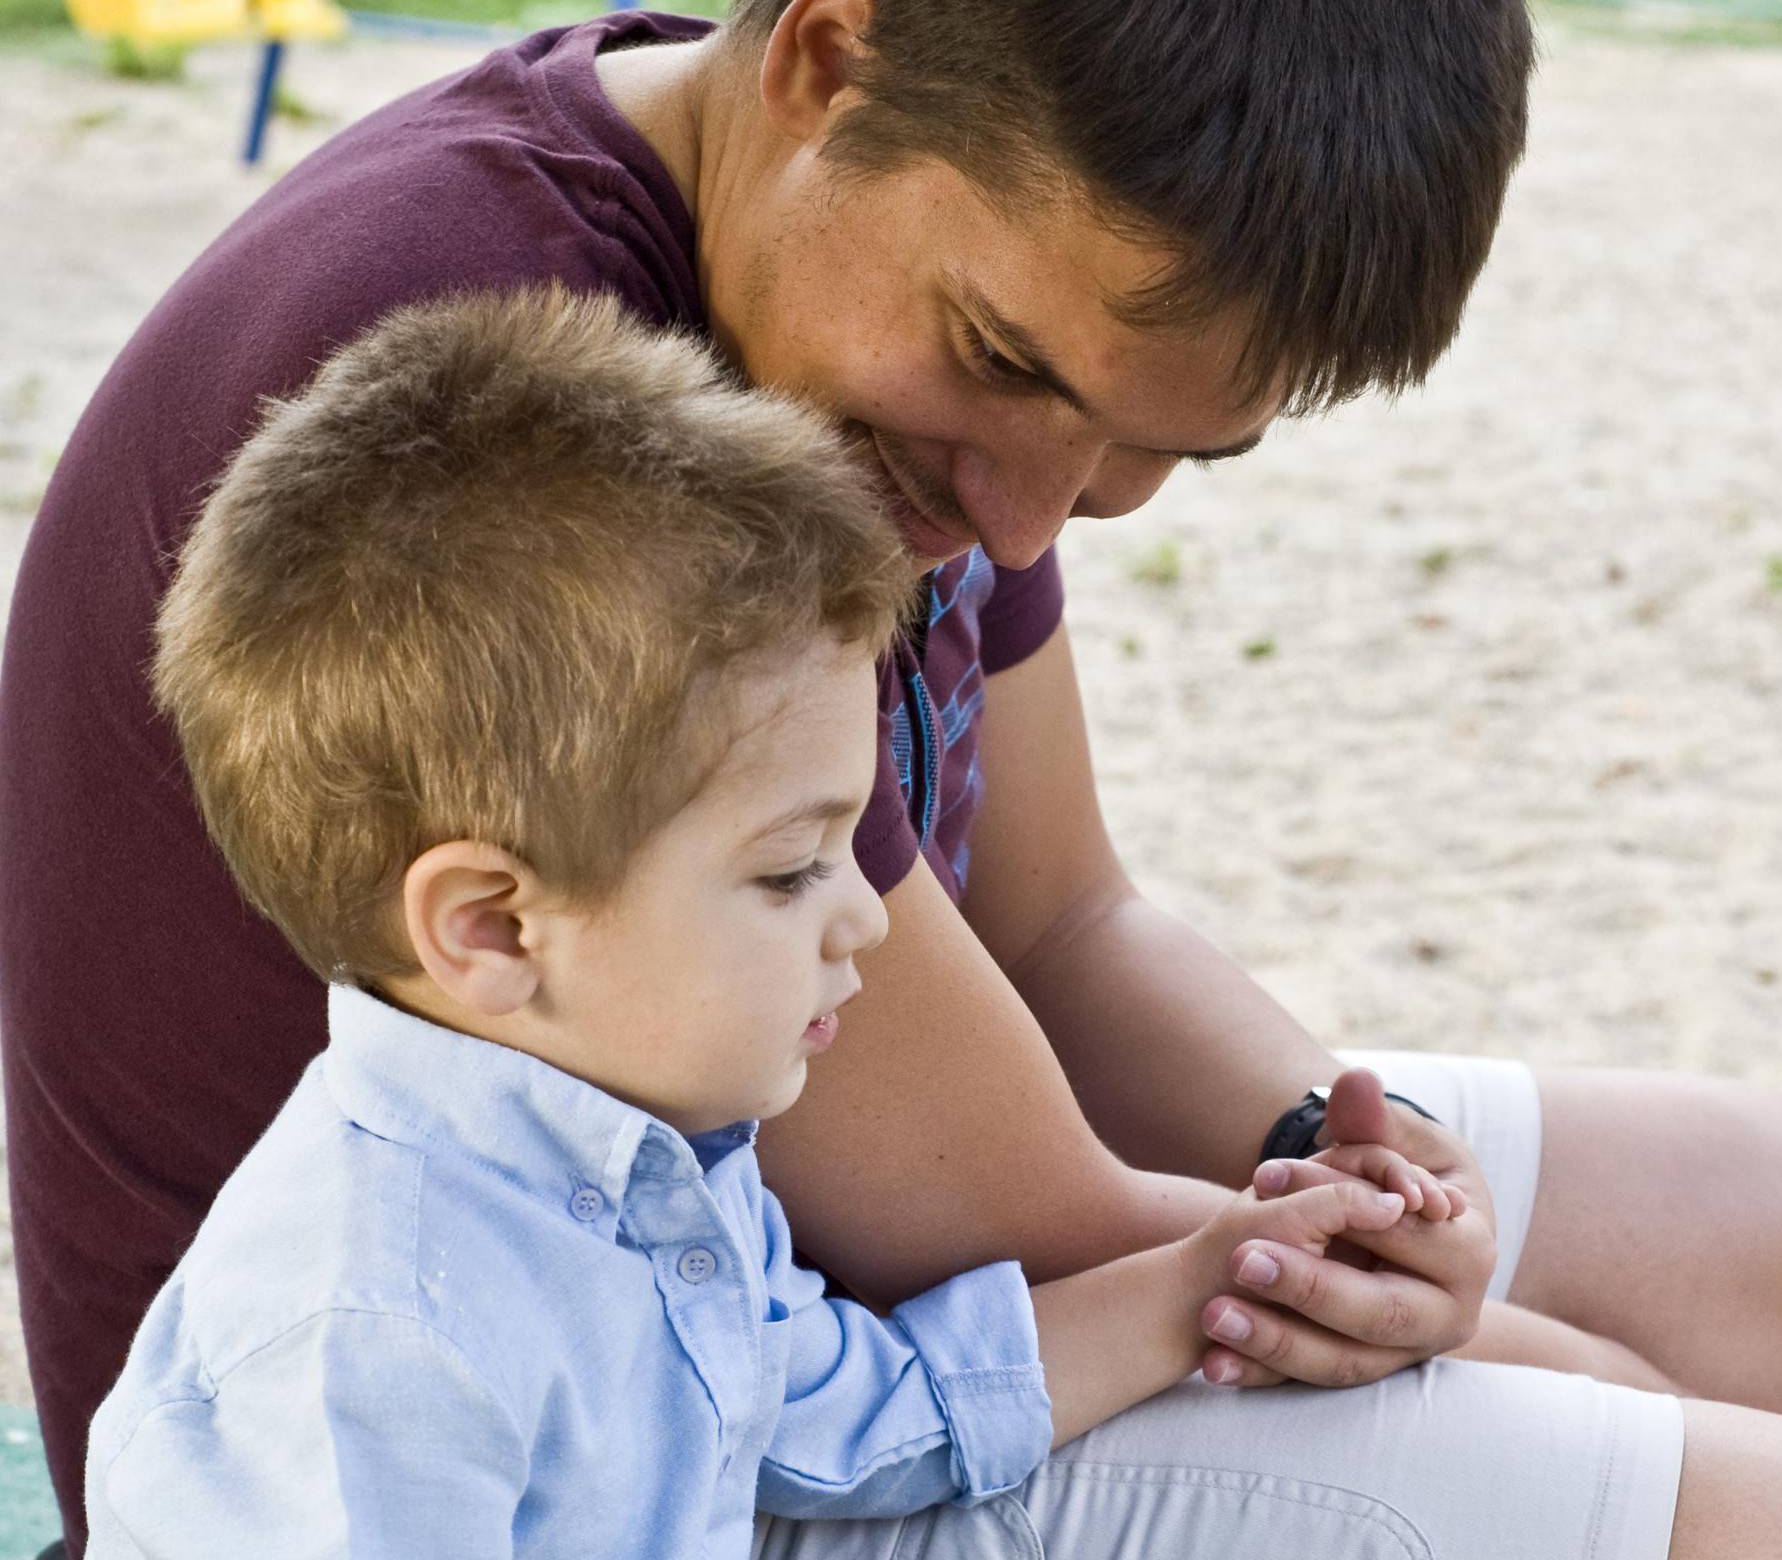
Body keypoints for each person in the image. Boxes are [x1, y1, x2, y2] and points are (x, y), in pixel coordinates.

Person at [0, 0, 1782, 1554]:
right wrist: (1552, 1368)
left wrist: (1336, 1166)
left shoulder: (868, 272)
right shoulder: (537, 410)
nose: (1017, 532)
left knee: (1770, 1215)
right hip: (576, 1456)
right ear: (834, 46)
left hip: (774, 1297)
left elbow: (1065, 919)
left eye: (1162, 457)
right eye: (1009, 367)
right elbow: (1013, 1216)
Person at [88, 285, 1462, 1555]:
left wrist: (1204, 1281)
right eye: (788, 870)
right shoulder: (377, 1332)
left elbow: (853, 1412)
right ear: (496, 931)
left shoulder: (646, 1159)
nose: (865, 917)